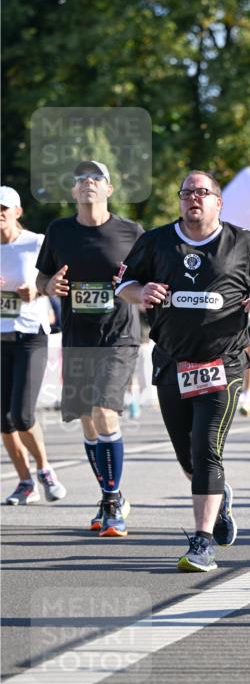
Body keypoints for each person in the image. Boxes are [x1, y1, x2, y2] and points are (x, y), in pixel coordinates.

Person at [116, 169, 250, 572]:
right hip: (173, 362)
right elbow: (122, 285)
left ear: (218, 201)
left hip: (223, 364)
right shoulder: (156, 241)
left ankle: (202, 542)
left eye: (202, 192)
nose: (193, 198)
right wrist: (139, 292)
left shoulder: (245, 244)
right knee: (188, 456)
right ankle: (219, 496)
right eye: (186, 192)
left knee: (206, 446)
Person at [36, 161, 143, 535]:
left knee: (103, 410)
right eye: (81, 180)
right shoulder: (59, 231)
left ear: (109, 190)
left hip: (119, 336)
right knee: (87, 420)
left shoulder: (131, 232)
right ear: (73, 192)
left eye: (96, 179)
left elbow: (151, 277)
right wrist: (50, 288)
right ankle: (109, 493)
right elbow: (42, 277)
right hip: (77, 336)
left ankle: (113, 504)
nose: (88, 184)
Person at [1, 185, 66, 505]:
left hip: (30, 335)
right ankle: (25, 482)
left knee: (22, 414)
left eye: (4, 209)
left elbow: (57, 283)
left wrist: (37, 291)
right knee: (3, 419)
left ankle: (45, 469)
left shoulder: (37, 243)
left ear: (18, 212)